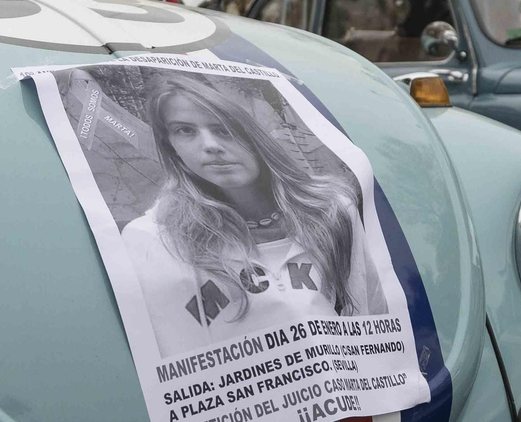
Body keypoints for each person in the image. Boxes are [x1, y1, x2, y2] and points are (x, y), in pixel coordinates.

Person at [120, 73, 388, 358]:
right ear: (170, 144)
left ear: (258, 131)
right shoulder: (153, 238)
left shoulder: (331, 210)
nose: (209, 145)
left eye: (224, 128)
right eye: (185, 131)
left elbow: (370, 326)